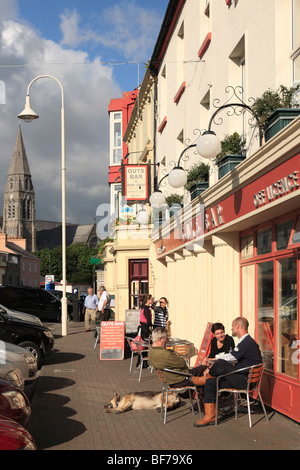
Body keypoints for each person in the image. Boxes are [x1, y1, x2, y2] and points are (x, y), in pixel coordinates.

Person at [194, 317, 262, 427]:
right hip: (244, 378)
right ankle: (210, 416)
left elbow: (230, 358)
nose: (231, 328)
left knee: (220, 363)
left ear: (238, 326)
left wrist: (210, 368)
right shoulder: (247, 342)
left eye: (232, 326)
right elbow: (233, 358)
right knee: (212, 382)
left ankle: (204, 378)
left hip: (245, 381)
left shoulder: (246, 342)